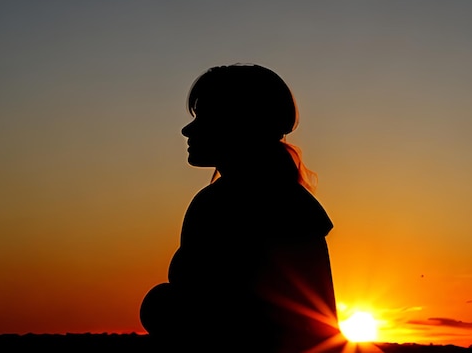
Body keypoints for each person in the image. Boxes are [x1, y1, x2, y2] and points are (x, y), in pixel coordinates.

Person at [140, 64, 342, 352]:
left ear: (238, 123)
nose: (187, 129)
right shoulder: (290, 203)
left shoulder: (230, 205)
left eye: (204, 117)